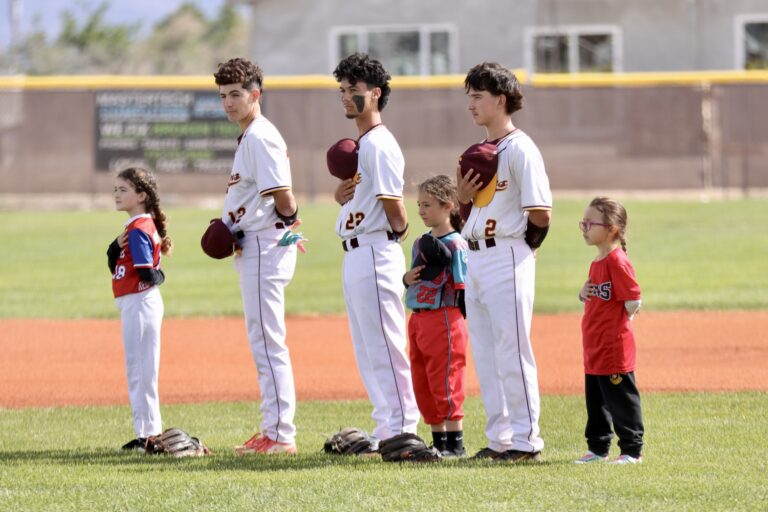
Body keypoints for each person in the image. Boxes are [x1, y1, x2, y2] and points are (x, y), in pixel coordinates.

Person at [456, 62, 552, 462]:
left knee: (512, 350)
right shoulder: (480, 153)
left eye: (478, 96)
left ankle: (526, 441)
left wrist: (523, 250)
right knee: (487, 354)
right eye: (469, 97)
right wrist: (462, 198)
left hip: (508, 254)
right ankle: (499, 438)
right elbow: (469, 219)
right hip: (474, 257)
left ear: (500, 99)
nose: (471, 105)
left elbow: (541, 213)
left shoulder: (521, 149)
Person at [214, 57, 303, 455]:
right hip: (258, 241)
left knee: (268, 341)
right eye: (223, 95)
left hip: (264, 244)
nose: (229, 102)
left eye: (236, 94)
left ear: (256, 94)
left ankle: (280, 434)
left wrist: (289, 222)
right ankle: (275, 428)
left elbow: (283, 196)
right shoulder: (250, 136)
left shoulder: (261, 136)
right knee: (264, 339)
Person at [332, 52, 419, 446]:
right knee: (369, 348)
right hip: (357, 252)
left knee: (385, 344)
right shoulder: (364, 144)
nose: (346, 96)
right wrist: (343, 198)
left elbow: (394, 205)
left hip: (375, 250)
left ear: (376, 93)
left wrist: (397, 233)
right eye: (343, 89)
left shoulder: (379, 144)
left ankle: (402, 429)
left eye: (354, 90)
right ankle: (386, 426)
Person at [403, 175, 469, 457]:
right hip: (418, 318)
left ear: (447, 206)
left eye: (427, 204)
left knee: (445, 378)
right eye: (419, 204)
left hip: (444, 316)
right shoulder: (420, 243)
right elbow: (412, 279)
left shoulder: (457, 245)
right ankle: (438, 442)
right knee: (423, 380)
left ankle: (455, 444)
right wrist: (406, 278)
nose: (420, 210)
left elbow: (465, 285)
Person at [575, 197, 644, 465]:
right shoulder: (598, 261)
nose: (584, 227)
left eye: (590, 223)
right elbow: (597, 295)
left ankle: (631, 450)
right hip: (594, 345)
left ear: (612, 229)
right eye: (583, 222)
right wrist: (583, 293)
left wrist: (618, 325)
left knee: (621, 400)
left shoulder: (617, 260)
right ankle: (598, 448)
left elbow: (634, 300)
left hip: (613, 346)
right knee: (596, 400)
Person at [108, 167, 171, 452]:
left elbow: (145, 270)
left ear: (141, 195)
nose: (117, 195)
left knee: (140, 371)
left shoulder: (138, 228)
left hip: (140, 303)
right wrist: (112, 250)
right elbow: (124, 267)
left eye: (124, 190)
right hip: (138, 303)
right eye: (116, 189)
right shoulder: (137, 226)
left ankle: (147, 435)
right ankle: (149, 432)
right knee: (142, 370)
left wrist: (157, 277)